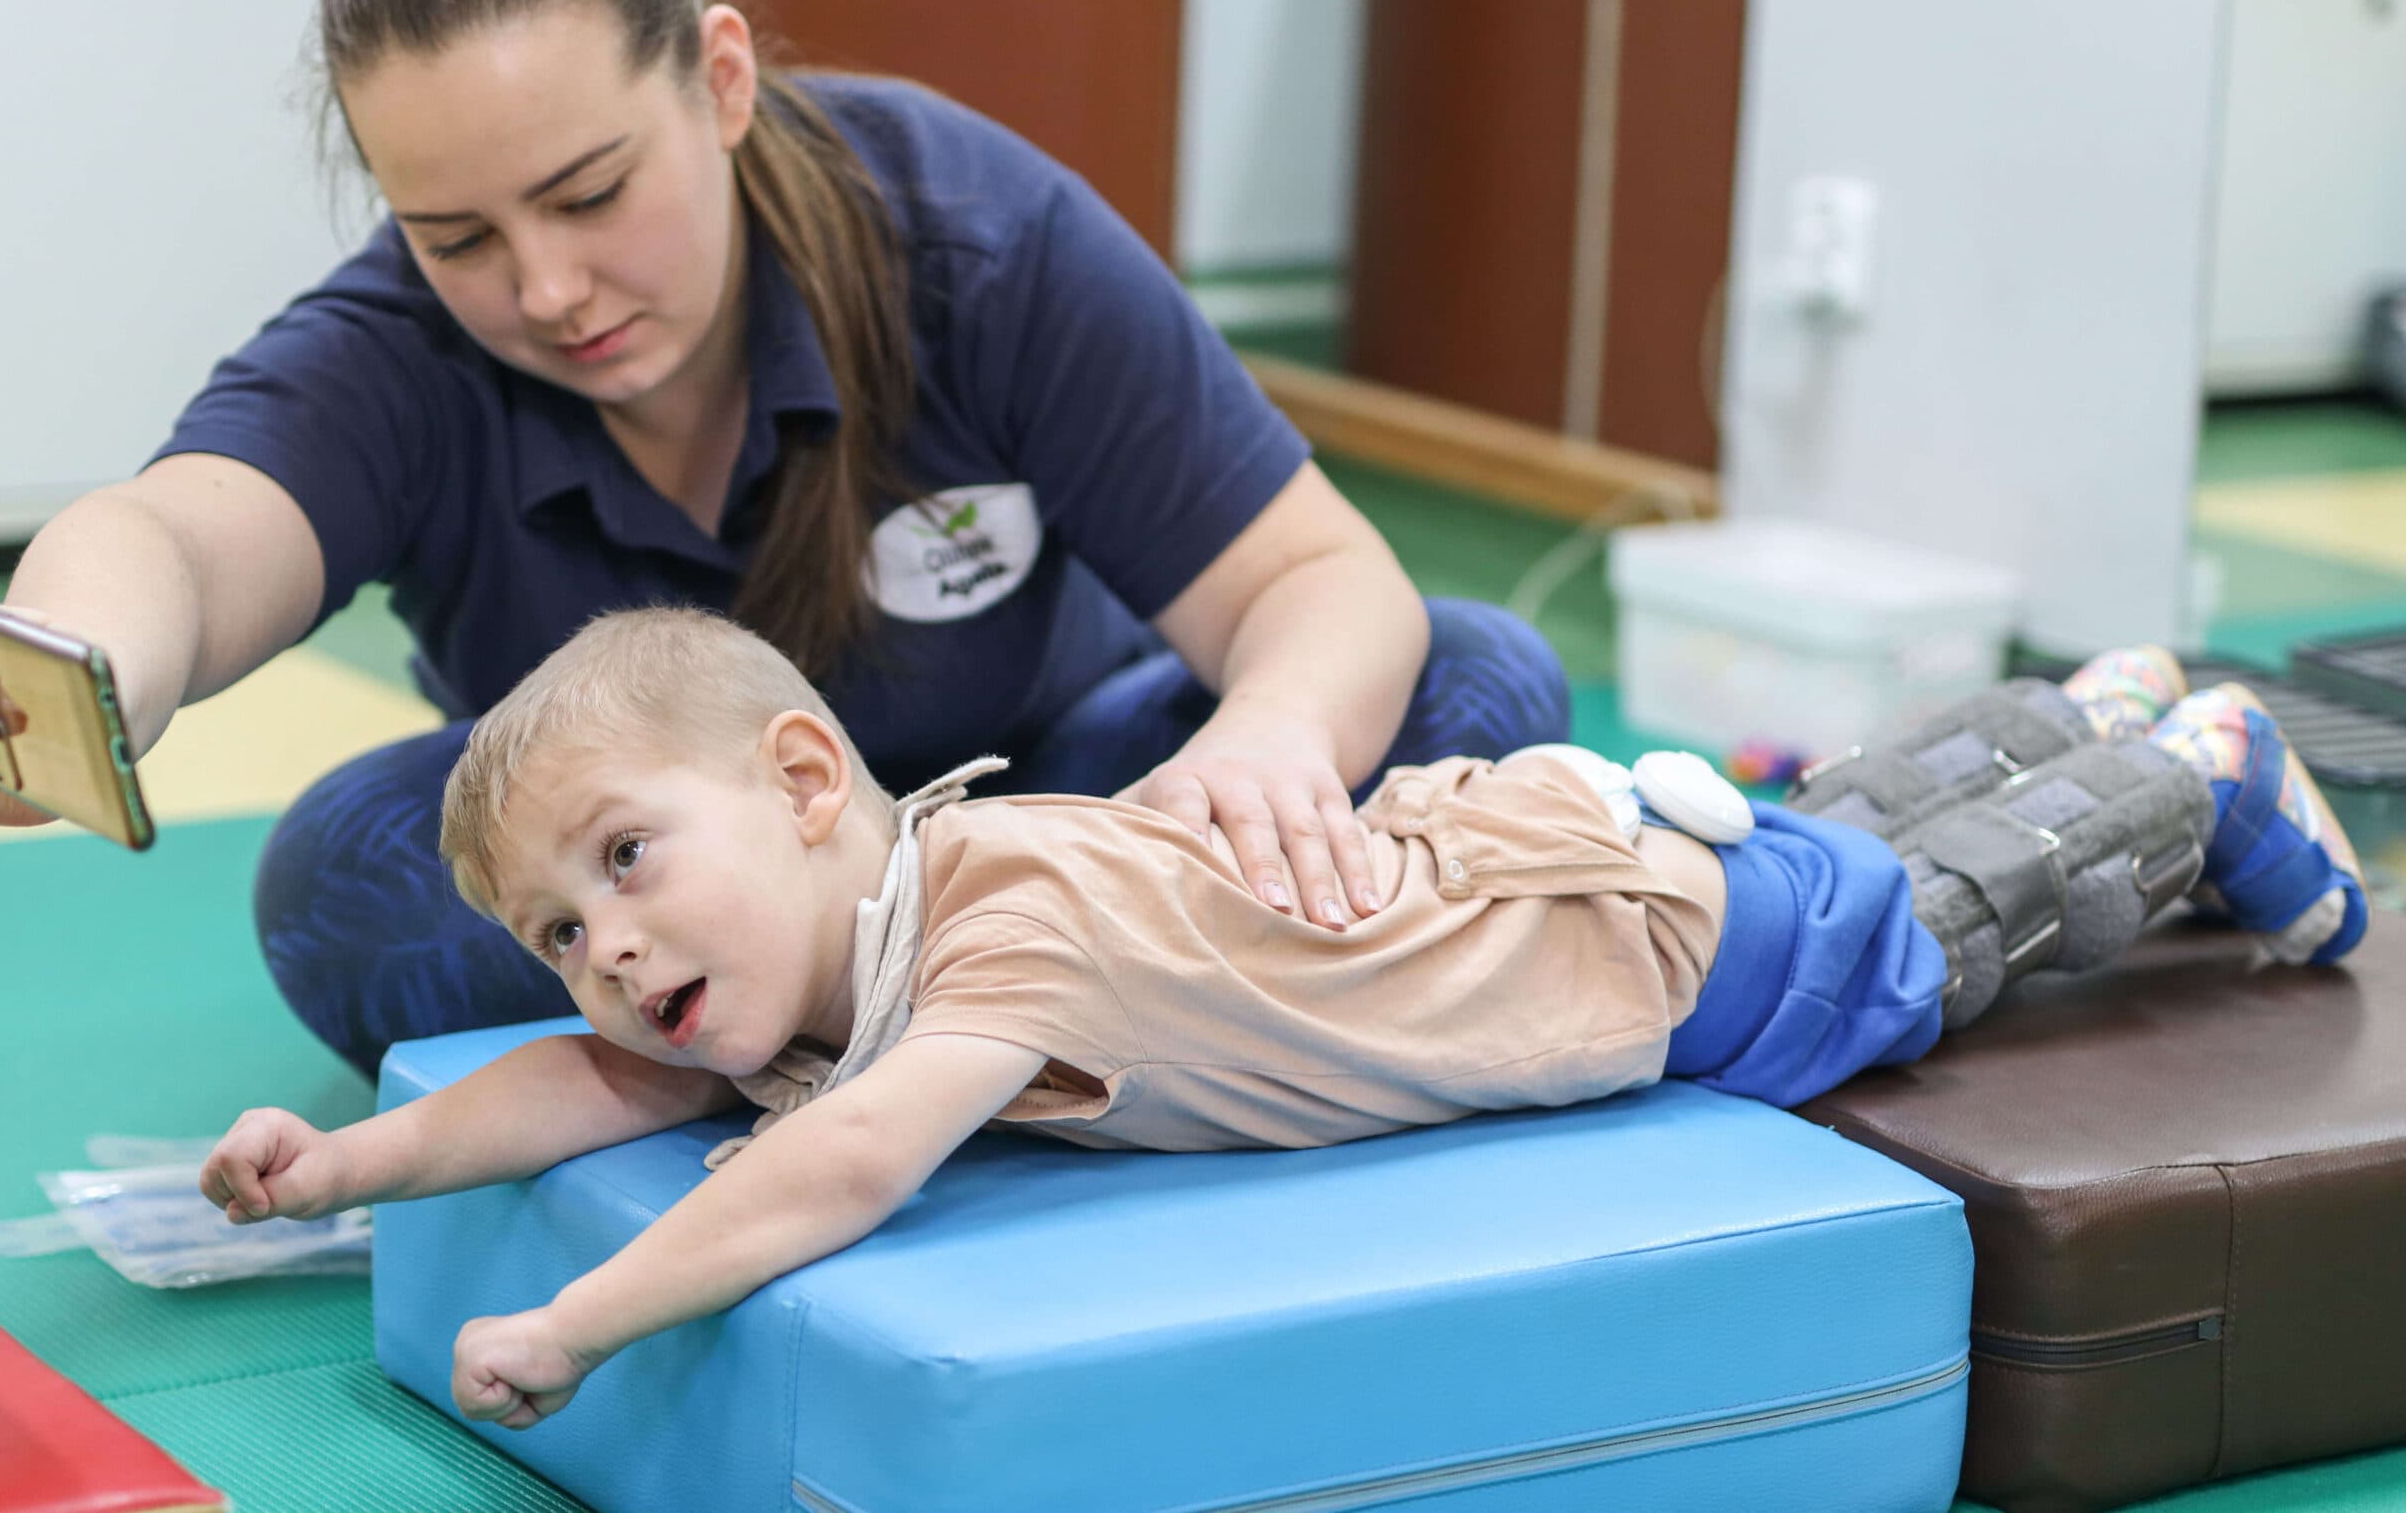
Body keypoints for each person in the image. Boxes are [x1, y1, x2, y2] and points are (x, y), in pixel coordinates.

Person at [0, 0, 1571, 1074]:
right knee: (342, 886)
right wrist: (69, 675)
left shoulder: (967, 236)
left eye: (594, 191)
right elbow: (174, 537)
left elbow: (1312, 577)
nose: (545, 290)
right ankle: (1025, 1024)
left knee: (1475, 684)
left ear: (722, 77)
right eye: (458, 233)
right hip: (673, 907)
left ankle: (879, 1031)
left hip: (1054, 806)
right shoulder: (398, 353)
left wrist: (1270, 737)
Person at [198, 609, 2367, 1431]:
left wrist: (580, 1324)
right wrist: (347, 1168)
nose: (599, 956)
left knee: (1935, 912)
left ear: (793, 782)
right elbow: (581, 1081)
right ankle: (2070, 707)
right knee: (1867, 825)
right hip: (1511, 843)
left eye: (623, 866)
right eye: (554, 928)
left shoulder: (997, 929)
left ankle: (2185, 774)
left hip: (1652, 964)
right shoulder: (774, 964)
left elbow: (838, 1166)